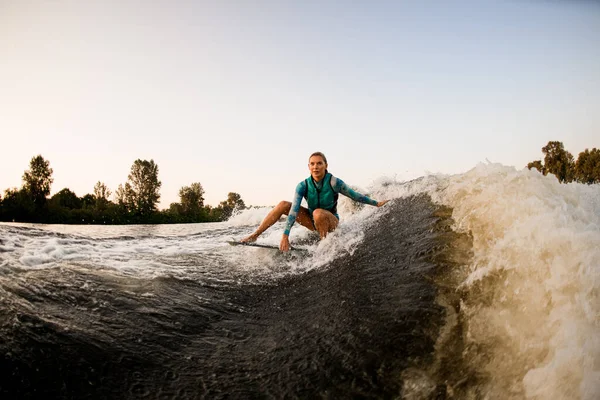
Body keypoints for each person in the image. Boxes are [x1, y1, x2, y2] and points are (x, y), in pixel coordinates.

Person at [241, 151, 389, 251]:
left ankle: (324, 247)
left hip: (331, 222)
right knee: (283, 205)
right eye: (312, 164)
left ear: (326, 166)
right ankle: (255, 235)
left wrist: (376, 203)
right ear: (308, 167)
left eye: (319, 163)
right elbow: (293, 211)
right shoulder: (303, 185)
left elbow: (355, 196)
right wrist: (285, 235)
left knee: (318, 212)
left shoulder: (334, 182)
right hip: (312, 221)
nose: (315, 167)